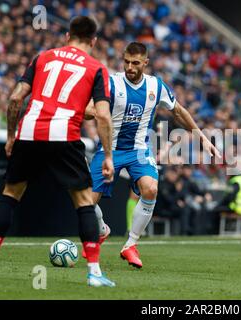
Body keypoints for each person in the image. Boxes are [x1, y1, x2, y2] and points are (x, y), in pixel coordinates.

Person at [0, 16, 116, 287]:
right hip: (64, 134)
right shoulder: (97, 68)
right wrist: (108, 155)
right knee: (85, 202)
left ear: (67, 36)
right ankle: (94, 273)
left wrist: (11, 136)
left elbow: (16, 97)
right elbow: (103, 116)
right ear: (94, 41)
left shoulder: (43, 57)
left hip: (29, 132)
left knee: (10, 196)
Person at [84, 42, 220, 268]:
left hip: (138, 150)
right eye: (126, 61)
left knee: (151, 188)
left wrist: (202, 137)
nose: (129, 66)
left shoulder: (155, 86)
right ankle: (102, 230)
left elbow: (179, 111)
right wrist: (96, 111)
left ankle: (131, 245)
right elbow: (89, 109)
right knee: (86, 205)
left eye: (135, 63)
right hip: (110, 149)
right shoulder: (111, 82)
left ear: (145, 63)